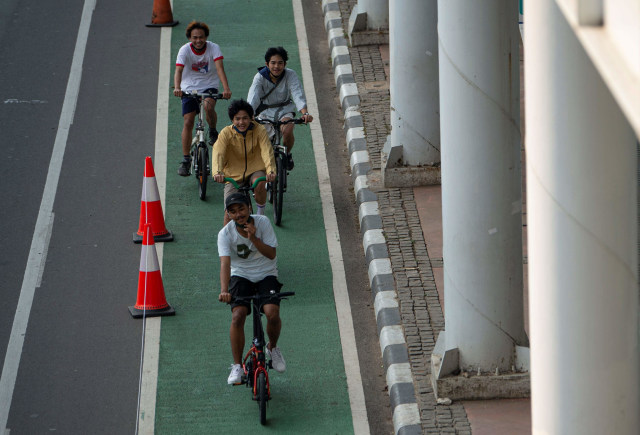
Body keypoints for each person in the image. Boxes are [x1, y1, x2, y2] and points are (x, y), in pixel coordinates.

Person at [218, 192, 286, 385]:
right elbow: (225, 264)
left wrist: (254, 238)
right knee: (238, 315)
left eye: (241, 209)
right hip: (241, 276)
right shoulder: (225, 234)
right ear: (228, 214)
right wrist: (225, 290)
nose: (238, 214)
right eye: (233, 211)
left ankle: (272, 348)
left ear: (249, 207)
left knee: (272, 313)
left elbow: (271, 254)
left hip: (266, 274)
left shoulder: (263, 222)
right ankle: (237, 365)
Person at [174, 21, 232, 176]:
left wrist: (226, 89)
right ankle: (186, 159)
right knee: (188, 121)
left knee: (208, 106)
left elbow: (219, 68)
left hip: (209, 86)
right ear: (189, 38)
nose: (198, 40)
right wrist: (178, 88)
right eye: (194, 37)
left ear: (206, 37)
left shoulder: (214, 48)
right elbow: (178, 70)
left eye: (201, 37)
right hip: (188, 88)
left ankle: (212, 130)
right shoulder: (184, 50)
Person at [247, 46, 313, 170]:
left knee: (287, 130)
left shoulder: (290, 74)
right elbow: (253, 97)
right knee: (261, 143)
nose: (276, 66)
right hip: (264, 112)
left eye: (280, 63)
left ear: (285, 64)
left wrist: (305, 113)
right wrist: (249, 115)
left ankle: (287, 154)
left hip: (285, 110)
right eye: (273, 63)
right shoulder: (259, 77)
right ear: (267, 64)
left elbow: (297, 93)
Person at [212, 99, 276, 224]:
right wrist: (217, 172)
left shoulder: (260, 130)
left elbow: (266, 151)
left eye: (245, 118)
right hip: (233, 176)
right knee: (229, 214)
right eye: (237, 119)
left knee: (259, 183)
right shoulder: (226, 133)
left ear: (251, 118)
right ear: (232, 120)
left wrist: (270, 170)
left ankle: (260, 214)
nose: (241, 122)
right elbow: (218, 153)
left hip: (255, 169)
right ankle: (226, 242)